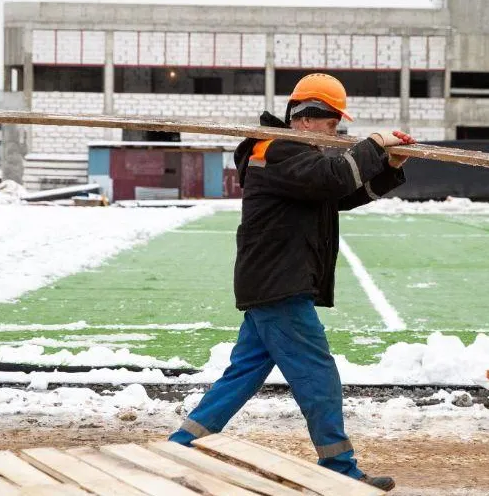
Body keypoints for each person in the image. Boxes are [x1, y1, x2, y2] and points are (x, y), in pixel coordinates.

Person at [168, 73, 415, 491]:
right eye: (332, 123)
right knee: (318, 375)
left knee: (243, 373)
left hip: (271, 282)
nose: (335, 132)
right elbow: (333, 179)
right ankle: (340, 469)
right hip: (279, 284)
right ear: (305, 119)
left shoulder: (294, 156)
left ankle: (182, 444)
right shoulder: (277, 150)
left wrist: (387, 167)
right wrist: (373, 145)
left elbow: (339, 193)